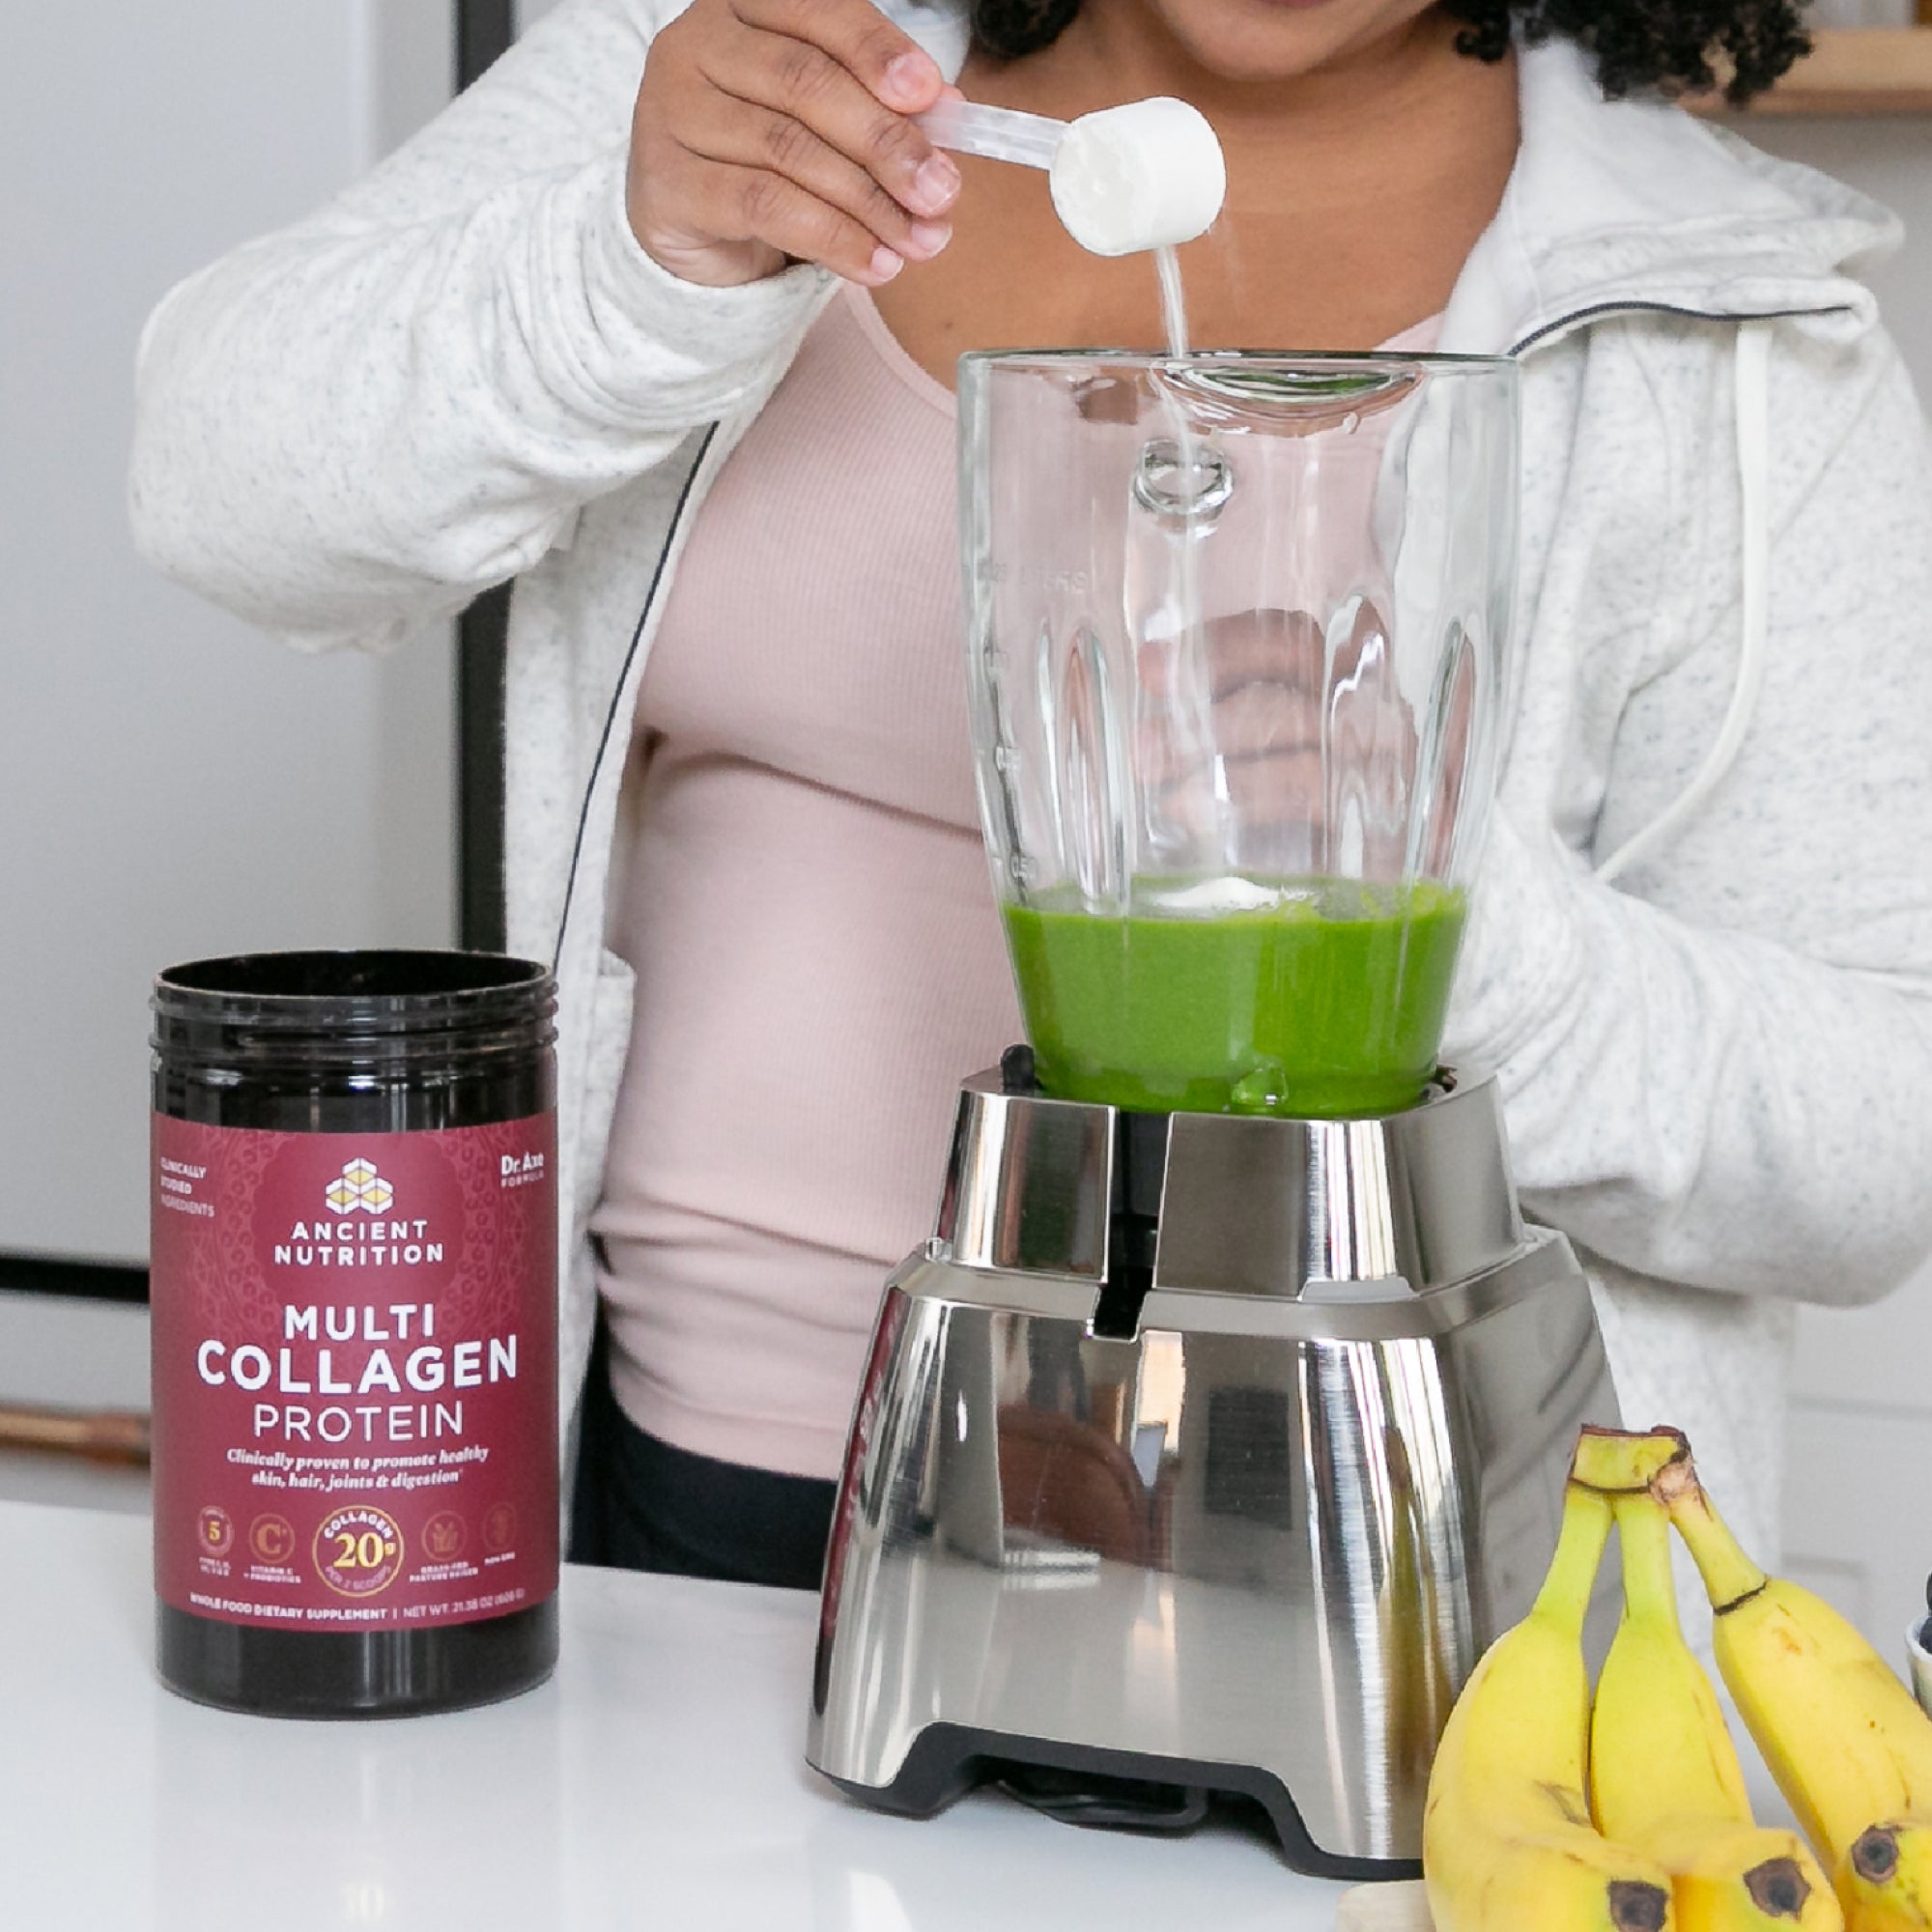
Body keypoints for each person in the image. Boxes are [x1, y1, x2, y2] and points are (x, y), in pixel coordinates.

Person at [129, 0, 1932, 1609]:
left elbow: (1877, 1143)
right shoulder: (754, 69)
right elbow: (216, 483)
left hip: (1412, 1587)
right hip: (672, 1498)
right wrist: (630, 265)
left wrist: (1444, 910)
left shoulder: (1747, 324)